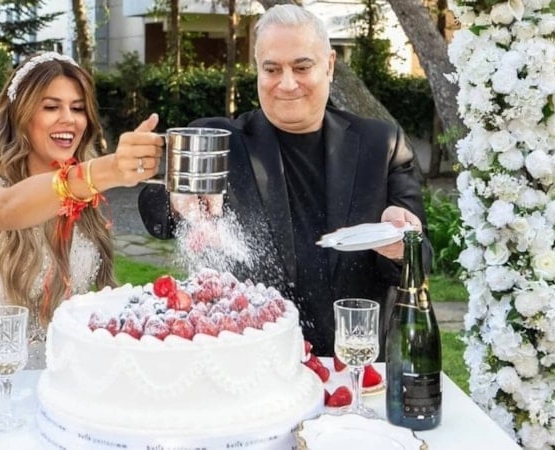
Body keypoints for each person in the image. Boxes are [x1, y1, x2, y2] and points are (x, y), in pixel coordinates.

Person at [138, 5, 431, 357]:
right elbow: (155, 210)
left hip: (353, 365)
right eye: (272, 69)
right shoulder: (220, 140)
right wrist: (177, 198)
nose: (287, 83)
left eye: (302, 67)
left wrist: (402, 246)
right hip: (251, 362)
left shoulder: (381, 143)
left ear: (330, 65)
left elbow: (421, 259)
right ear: (257, 70)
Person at [0, 52, 164, 374]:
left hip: (61, 377)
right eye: (51, 107)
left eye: (78, 108)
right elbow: (7, 208)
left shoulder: (84, 203)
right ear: (20, 116)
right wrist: (108, 170)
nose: (69, 119)